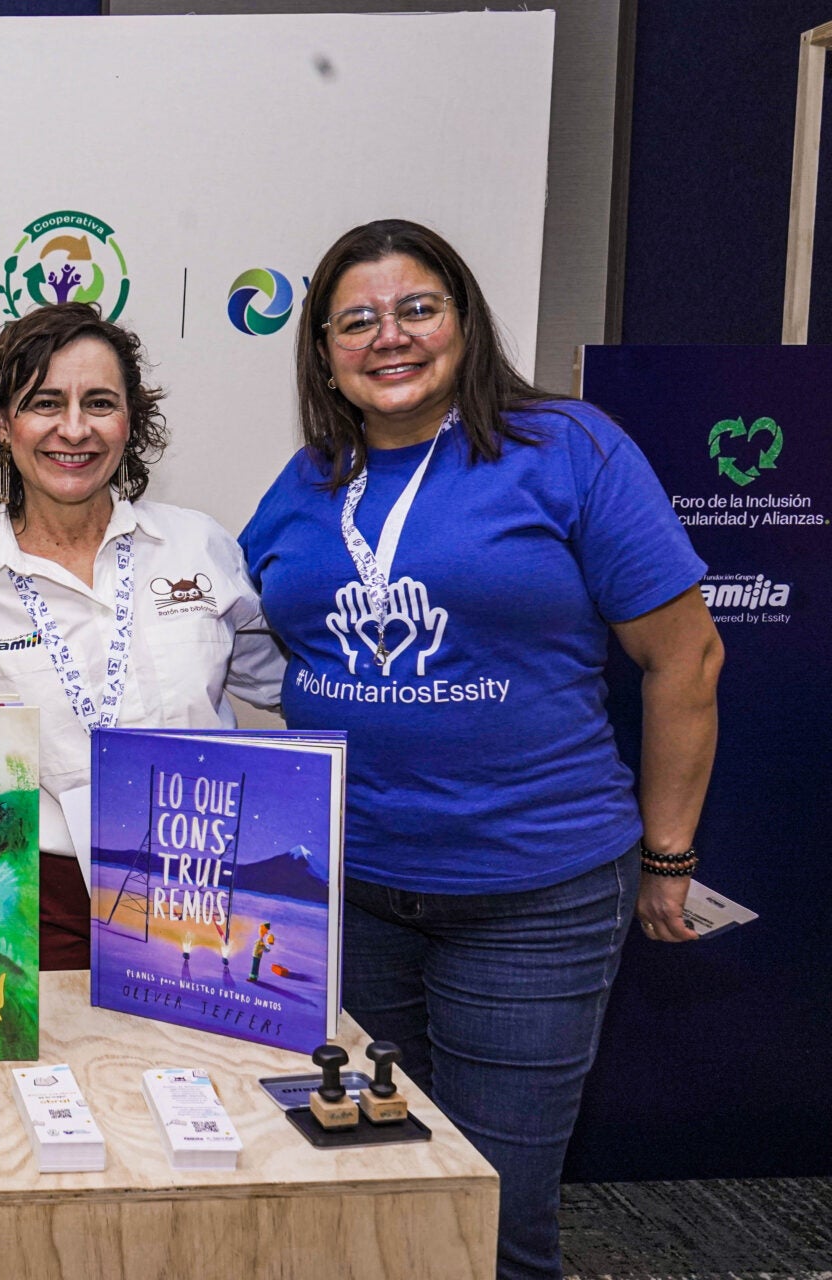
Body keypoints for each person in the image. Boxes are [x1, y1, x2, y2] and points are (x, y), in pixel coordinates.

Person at [238, 219, 722, 1280]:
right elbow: (269, 640)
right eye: (356, 320)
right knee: (366, 1176)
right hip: (352, 889)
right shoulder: (309, 479)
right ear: (323, 351)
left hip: (531, 894)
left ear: (465, 320)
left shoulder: (569, 448)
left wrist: (670, 850)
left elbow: (685, 658)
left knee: (493, 1213)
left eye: (418, 308)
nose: (389, 336)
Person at [0, 302, 284, 969]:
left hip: (206, 886)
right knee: (51, 1077)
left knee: (197, 1071)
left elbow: (287, 682)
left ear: (130, 421)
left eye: (99, 402)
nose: (74, 429)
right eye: (45, 402)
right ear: (1, 423)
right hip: (34, 905)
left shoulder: (199, 547)